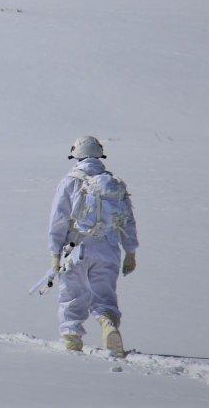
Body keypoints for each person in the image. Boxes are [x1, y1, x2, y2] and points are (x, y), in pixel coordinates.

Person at [47, 135, 138, 356]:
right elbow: (127, 220)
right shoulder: (114, 184)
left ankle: (72, 338)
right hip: (108, 249)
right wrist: (130, 253)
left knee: (72, 294)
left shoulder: (70, 181)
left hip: (75, 249)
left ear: (76, 154)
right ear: (99, 154)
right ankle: (108, 325)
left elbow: (58, 218)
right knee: (104, 295)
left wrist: (55, 253)